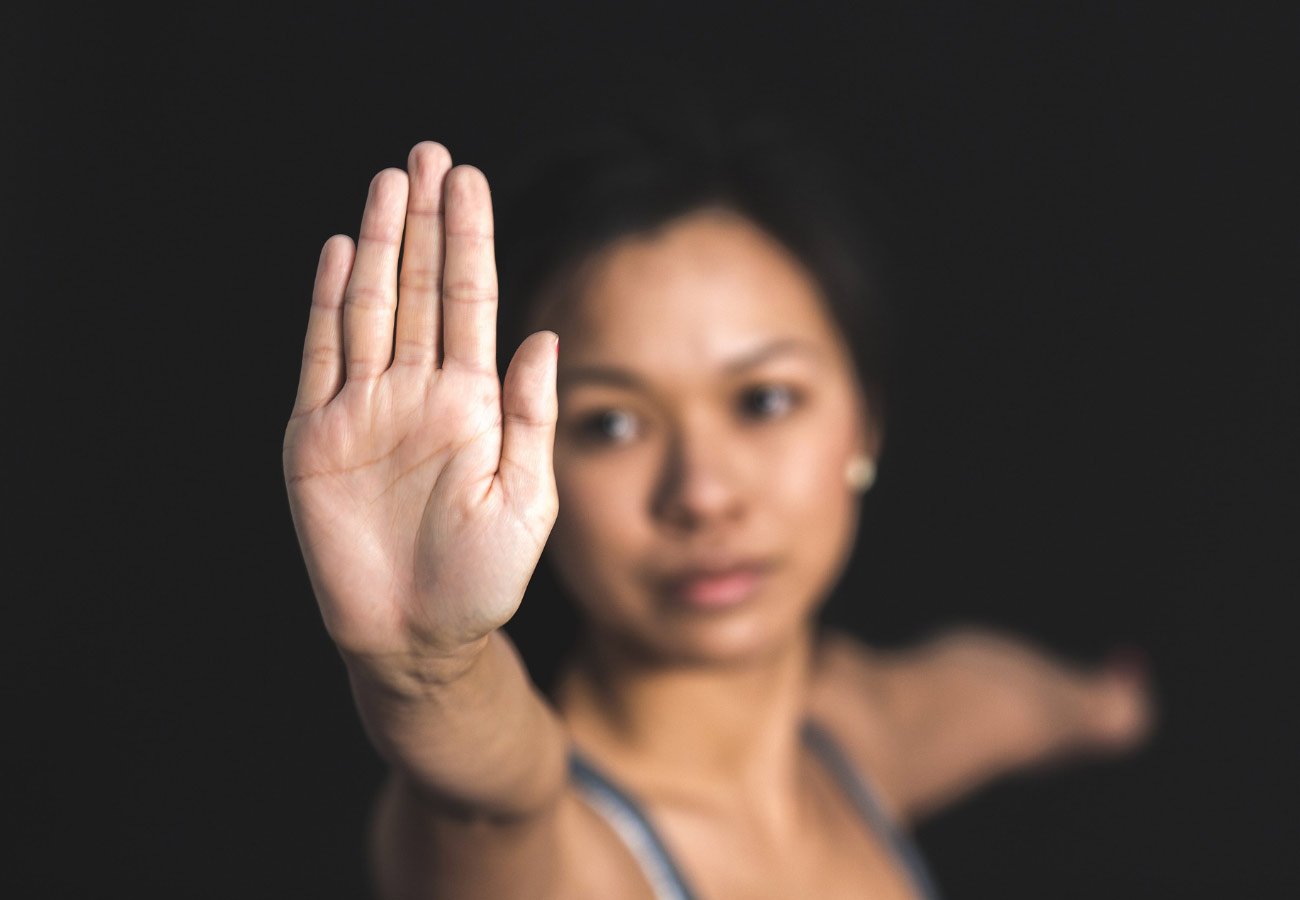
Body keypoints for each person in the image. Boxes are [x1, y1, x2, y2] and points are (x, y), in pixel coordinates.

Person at [281, 121, 1153, 899]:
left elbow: (995, 694)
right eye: (612, 424)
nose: (702, 494)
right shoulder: (553, 853)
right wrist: (428, 670)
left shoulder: (856, 735)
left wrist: (1102, 705)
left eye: (764, 401)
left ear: (866, 422)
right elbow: (486, 797)